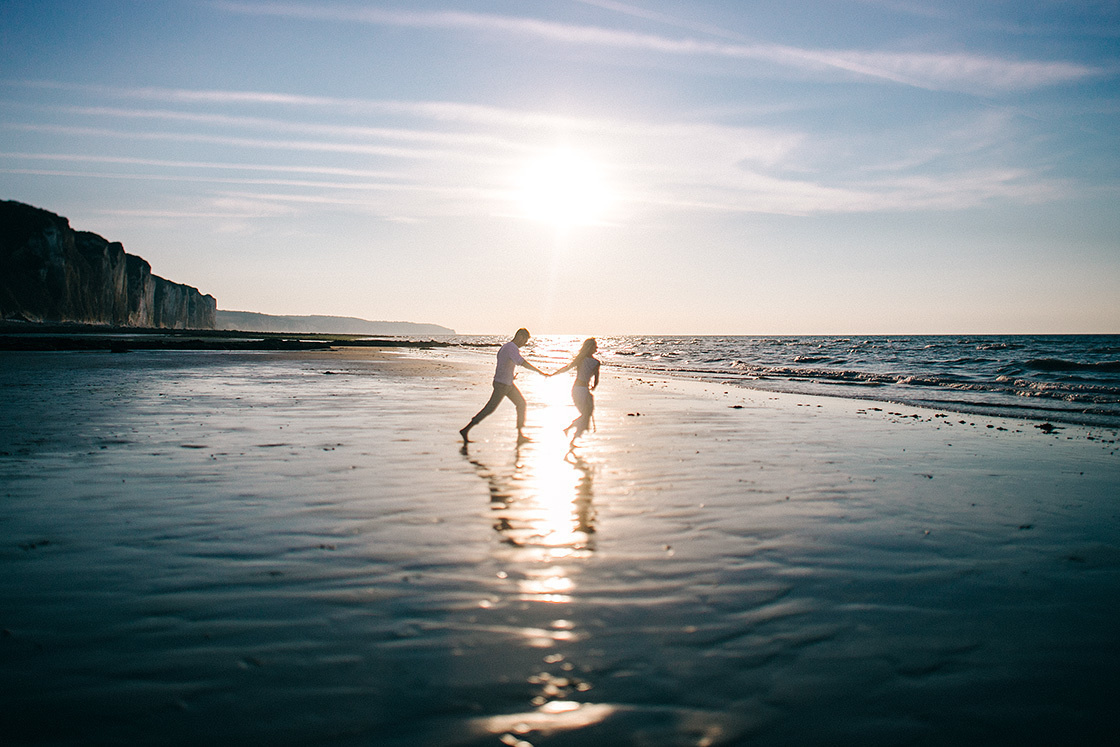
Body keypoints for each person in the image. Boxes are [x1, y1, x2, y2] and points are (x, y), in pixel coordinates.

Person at [460, 328, 548, 444]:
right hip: (502, 384)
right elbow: (522, 362)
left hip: (507, 383)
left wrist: (511, 376)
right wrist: (539, 372)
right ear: (520, 336)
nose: (524, 343)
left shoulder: (505, 347)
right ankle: (466, 429)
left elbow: (504, 364)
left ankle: (520, 435)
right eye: (525, 340)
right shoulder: (512, 348)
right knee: (489, 409)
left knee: (521, 403)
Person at [552, 337, 601, 448]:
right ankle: (570, 432)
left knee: (586, 414)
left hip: (576, 389)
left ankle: (572, 437)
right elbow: (596, 380)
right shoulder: (596, 363)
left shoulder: (580, 359)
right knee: (586, 415)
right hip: (583, 390)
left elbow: (566, 368)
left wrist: (553, 374)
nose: (596, 348)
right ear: (590, 348)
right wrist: (593, 386)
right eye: (594, 346)